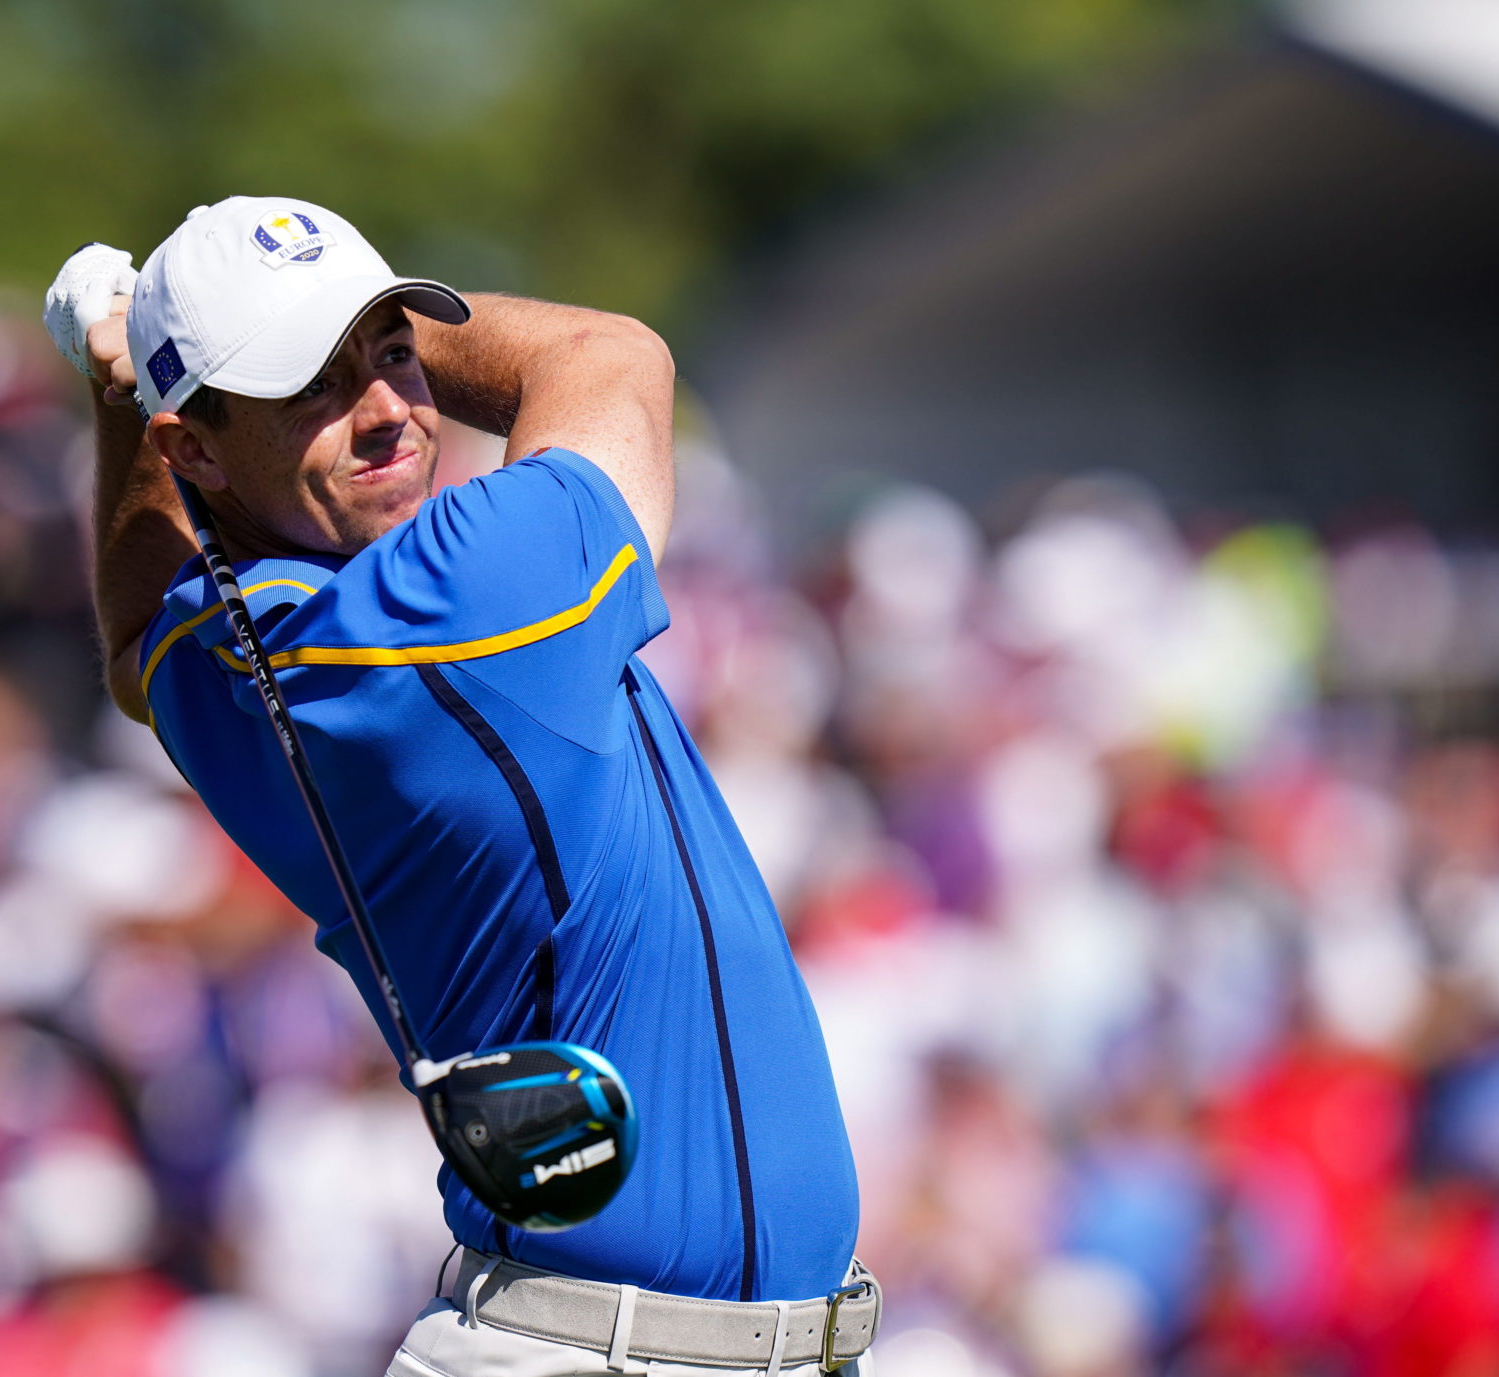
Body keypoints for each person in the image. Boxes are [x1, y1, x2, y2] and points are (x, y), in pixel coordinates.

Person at [43, 198, 878, 1376]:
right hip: (607, 1354)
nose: (386, 410)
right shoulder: (453, 600)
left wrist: (128, 392)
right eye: (312, 384)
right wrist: (156, 376)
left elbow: (135, 640)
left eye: (391, 353)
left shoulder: (235, 647)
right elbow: (608, 356)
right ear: (197, 450)